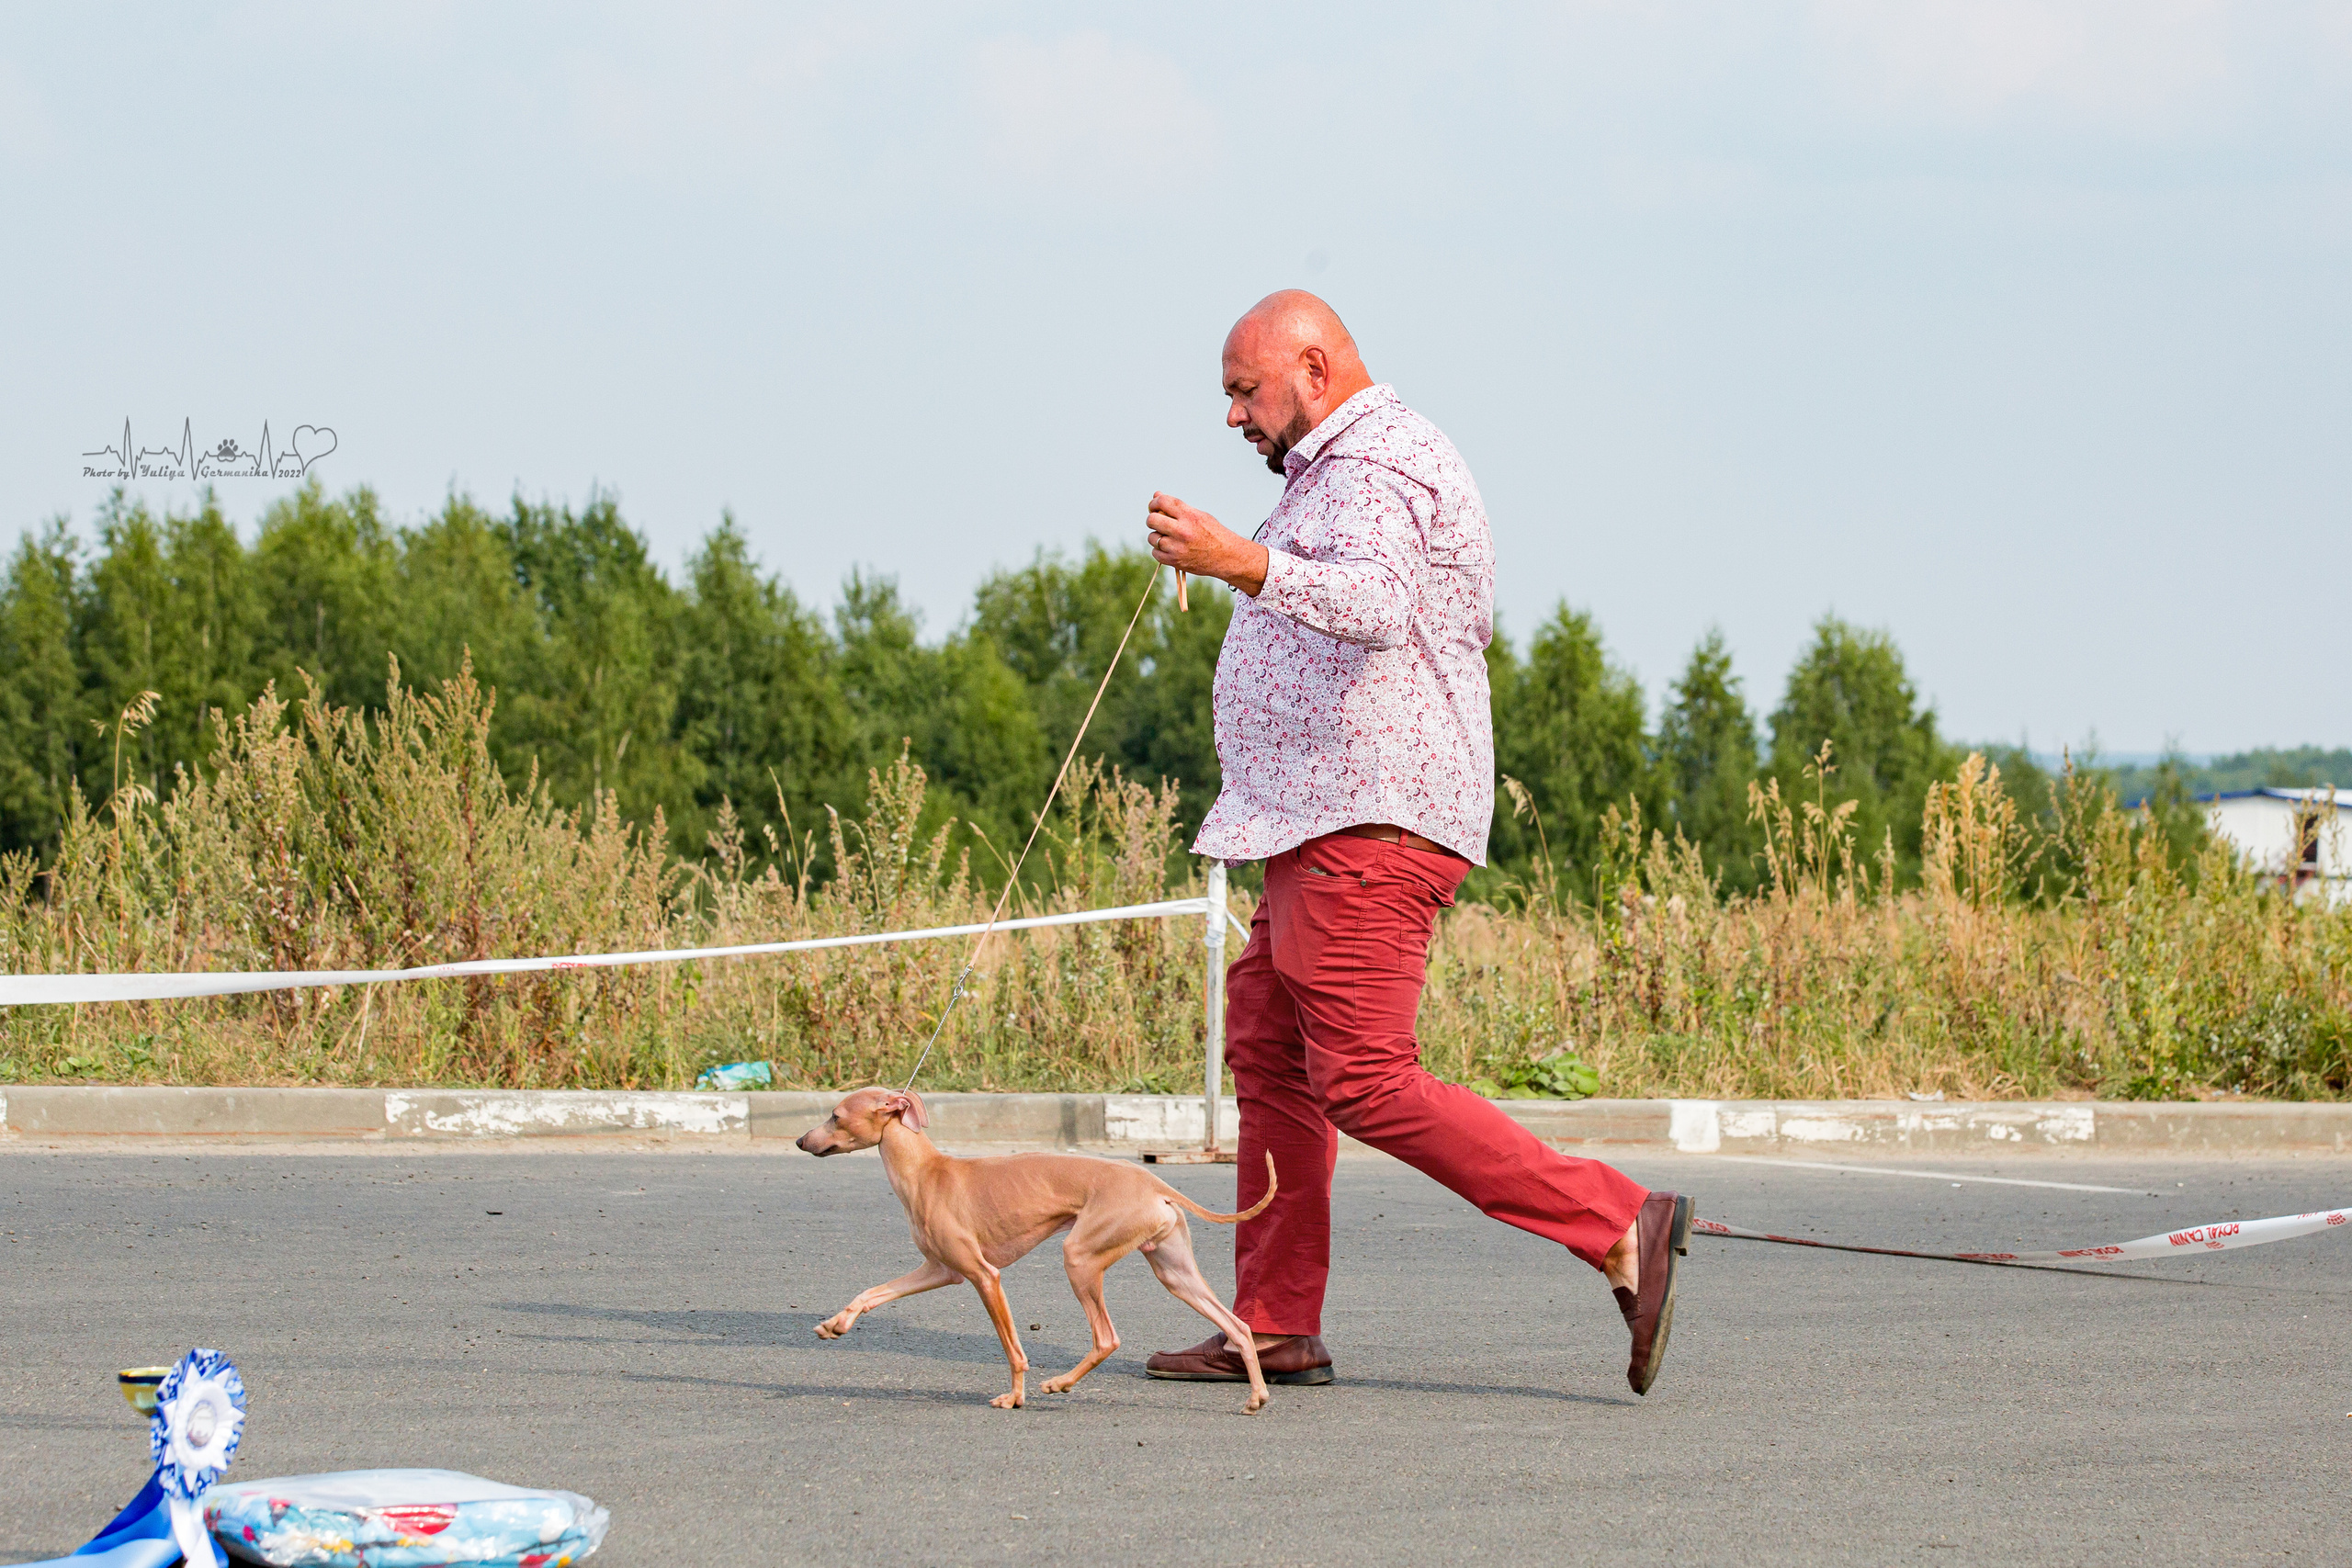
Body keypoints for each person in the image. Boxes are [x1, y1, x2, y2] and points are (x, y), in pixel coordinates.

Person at [1140, 290, 1690, 1396]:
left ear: (1313, 368)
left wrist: (1239, 562)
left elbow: (1379, 602)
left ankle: (1616, 1221)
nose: (1234, 416)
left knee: (1363, 1077)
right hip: (1317, 819)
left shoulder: (1378, 460)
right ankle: (1274, 1325)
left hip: (1370, 819)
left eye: (1245, 391)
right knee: (1272, 1052)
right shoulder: (1329, 471)